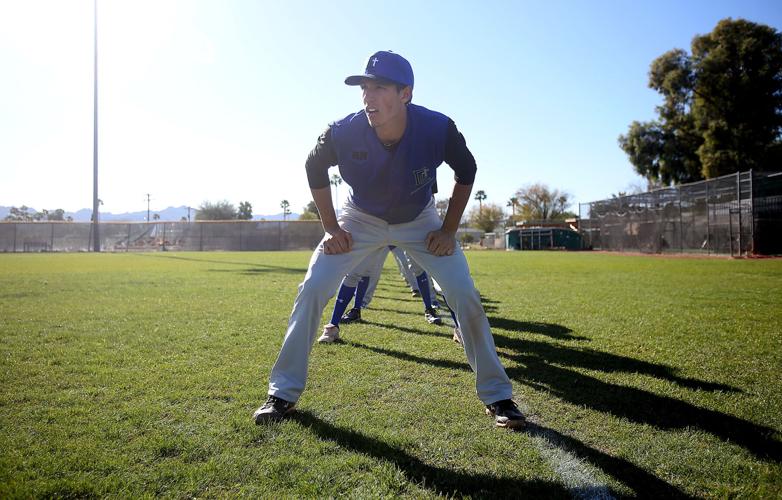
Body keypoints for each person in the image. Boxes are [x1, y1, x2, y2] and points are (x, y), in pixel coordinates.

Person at [253, 50, 524, 428]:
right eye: (364, 87)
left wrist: (448, 230)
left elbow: (468, 169)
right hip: (360, 217)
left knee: (464, 295)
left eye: (379, 87)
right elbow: (313, 165)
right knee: (313, 287)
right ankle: (281, 393)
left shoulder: (437, 127)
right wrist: (331, 228)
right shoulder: (342, 130)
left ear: (405, 94)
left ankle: (498, 397)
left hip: (419, 219)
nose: (368, 96)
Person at [319, 246, 441, 344]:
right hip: (376, 223)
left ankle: (430, 308)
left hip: (405, 223)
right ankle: (336, 323)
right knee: (360, 269)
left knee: (418, 266)